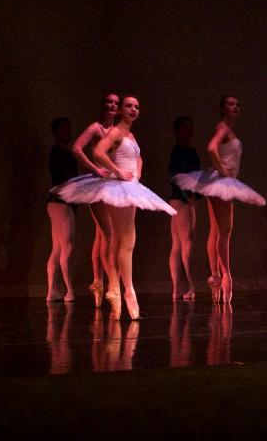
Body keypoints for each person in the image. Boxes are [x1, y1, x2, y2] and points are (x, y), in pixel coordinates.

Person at [54, 96, 177, 319]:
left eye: (137, 107)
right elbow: (98, 152)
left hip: (131, 186)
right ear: (120, 110)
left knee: (123, 241)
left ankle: (116, 290)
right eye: (129, 106)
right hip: (119, 188)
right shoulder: (115, 132)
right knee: (123, 239)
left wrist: (138, 171)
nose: (133, 109)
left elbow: (138, 157)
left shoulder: (130, 135)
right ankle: (126, 290)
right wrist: (118, 172)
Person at [173, 96, 265, 304]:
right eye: (231, 104)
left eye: (237, 104)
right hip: (222, 181)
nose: (235, 107)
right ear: (222, 108)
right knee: (225, 230)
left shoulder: (227, 129)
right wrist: (222, 169)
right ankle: (226, 275)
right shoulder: (223, 128)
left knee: (216, 230)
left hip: (218, 181)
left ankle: (215, 274)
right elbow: (211, 147)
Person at [70, 93, 120, 308]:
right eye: (109, 102)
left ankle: (98, 280)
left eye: (115, 104)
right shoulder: (96, 128)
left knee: (102, 236)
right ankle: (110, 283)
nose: (112, 106)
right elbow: (77, 148)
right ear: (102, 105)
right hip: (98, 185)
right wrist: (95, 168)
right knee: (107, 233)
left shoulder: (117, 131)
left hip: (113, 184)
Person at [167, 116, 201, 301]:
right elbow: (174, 175)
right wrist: (189, 195)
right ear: (177, 131)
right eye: (185, 128)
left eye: (191, 127)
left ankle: (177, 289)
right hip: (181, 201)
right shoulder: (180, 151)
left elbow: (194, 178)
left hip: (179, 200)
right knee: (185, 244)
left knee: (178, 245)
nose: (189, 131)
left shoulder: (189, 151)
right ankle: (190, 286)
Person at [45, 117, 78, 302]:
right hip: (61, 203)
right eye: (64, 129)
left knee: (57, 248)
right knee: (67, 247)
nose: (68, 132)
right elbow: (62, 178)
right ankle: (69, 291)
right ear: (56, 132)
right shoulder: (58, 153)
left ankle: (52, 290)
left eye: (69, 128)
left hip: (57, 203)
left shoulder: (63, 153)